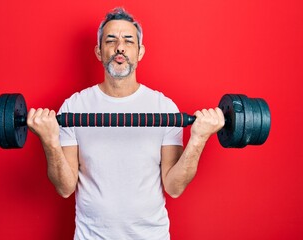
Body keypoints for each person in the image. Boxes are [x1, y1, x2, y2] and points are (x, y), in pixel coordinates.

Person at [27, 7, 224, 240]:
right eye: (111, 40)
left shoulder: (164, 108)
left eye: (128, 41)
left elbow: (174, 186)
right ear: (99, 52)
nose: (119, 47)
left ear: (140, 52)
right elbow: (65, 187)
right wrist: (49, 141)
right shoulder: (74, 107)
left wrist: (199, 139)